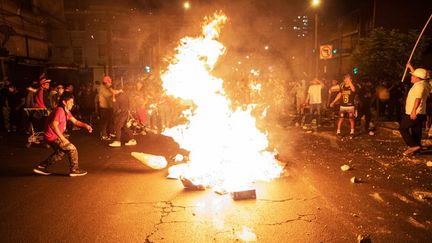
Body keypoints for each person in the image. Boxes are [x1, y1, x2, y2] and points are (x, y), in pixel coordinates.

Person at [33, 92, 93, 176]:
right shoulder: (60, 111)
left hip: (52, 136)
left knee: (60, 153)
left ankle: (41, 167)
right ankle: (74, 169)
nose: (73, 104)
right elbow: (53, 125)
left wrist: (85, 125)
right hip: (52, 136)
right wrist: (63, 139)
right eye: (71, 102)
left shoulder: (66, 111)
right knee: (72, 149)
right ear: (64, 102)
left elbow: (75, 121)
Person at [399, 64, 430, 156]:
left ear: (418, 78)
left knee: (402, 128)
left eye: (413, 76)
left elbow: (418, 99)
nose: (411, 77)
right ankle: (417, 148)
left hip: (415, 113)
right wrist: (410, 67)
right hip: (420, 113)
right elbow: (420, 76)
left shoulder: (419, 86)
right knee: (416, 131)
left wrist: (413, 111)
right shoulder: (424, 84)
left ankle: (413, 145)